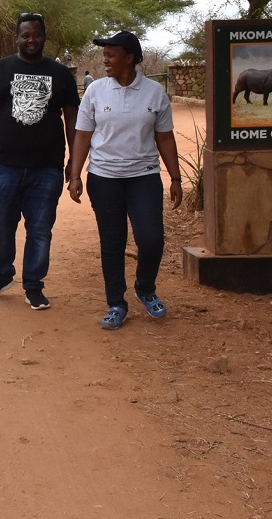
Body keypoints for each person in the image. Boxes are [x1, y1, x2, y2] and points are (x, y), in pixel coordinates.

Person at [67, 30, 182, 330]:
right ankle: (116, 302)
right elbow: (82, 135)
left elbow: (165, 137)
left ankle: (145, 287)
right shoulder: (95, 92)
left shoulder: (154, 93)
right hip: (104, 178)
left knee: (151, 239)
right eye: (104, 53)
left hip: (143, 177)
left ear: (129, 58)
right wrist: (75, 174)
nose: (105, 58)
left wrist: (176, 177)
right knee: (112, 242)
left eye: (111, 53)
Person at [0, 12, 79, 310]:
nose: (31, 40)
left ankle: (33, 285)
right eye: (26, 35)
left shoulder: (61, 75)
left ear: (44, 37)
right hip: (5, 165)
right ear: (17, 37)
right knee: (1, 225)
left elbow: (72, 120)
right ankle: (2, 275)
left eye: (37, 35)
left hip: (47, 167)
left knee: (40, 228)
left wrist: (74, 161)